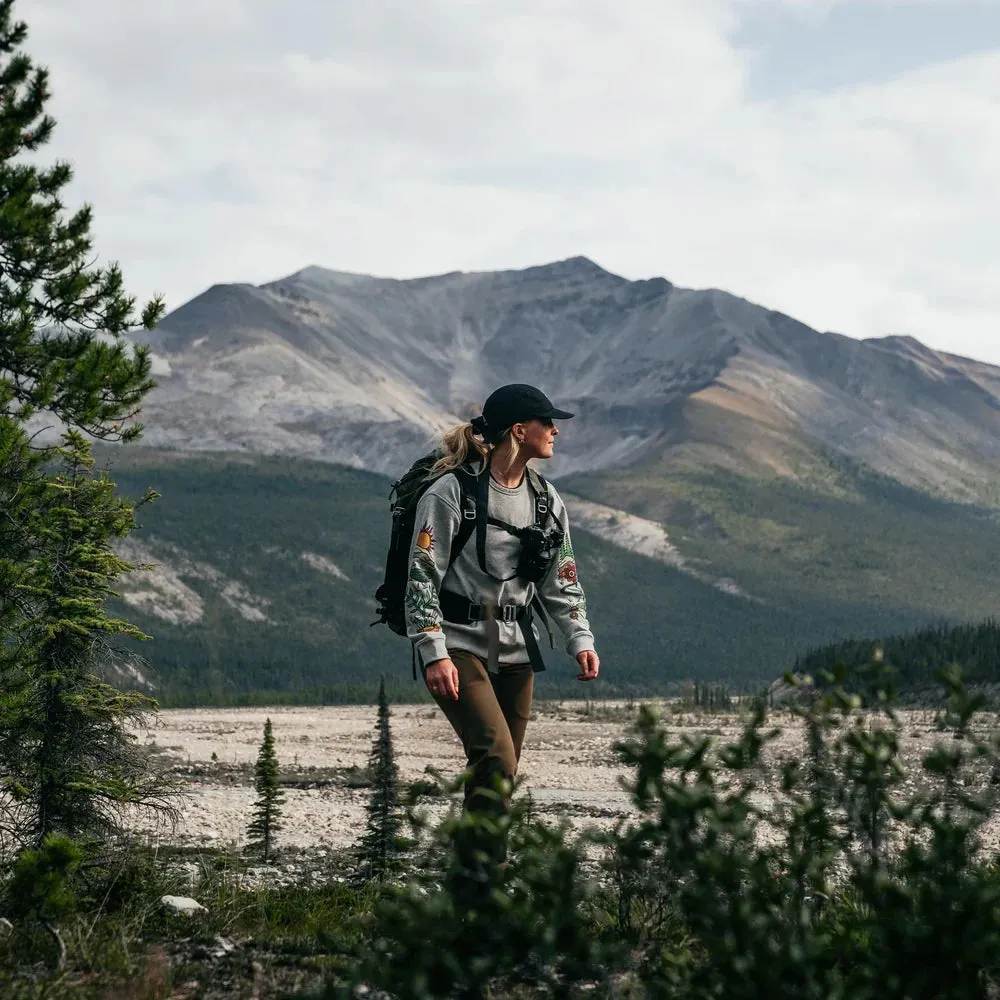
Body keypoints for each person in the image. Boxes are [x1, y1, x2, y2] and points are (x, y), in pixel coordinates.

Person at [403, 383, 600, 827]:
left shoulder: (547, 500)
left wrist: (579, 637)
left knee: (500, 775)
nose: (555, 431)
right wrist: (433, 652)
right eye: (547, 422)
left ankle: (475, 887)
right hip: (459, 643)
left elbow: (560, 578)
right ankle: (485, 877)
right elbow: (421, 575)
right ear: (518, 430)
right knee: (494, 756)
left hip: (516, 648)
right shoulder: (452, 493)